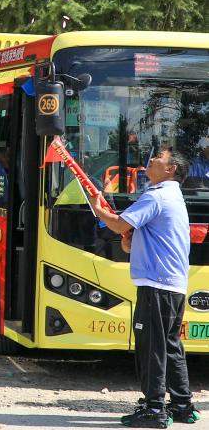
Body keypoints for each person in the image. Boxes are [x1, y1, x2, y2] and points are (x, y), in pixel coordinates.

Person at [88, 147, 199, 428]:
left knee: (152, 346)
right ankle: (183, 405)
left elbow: (117, 224)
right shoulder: (173, 196)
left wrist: (96, 205)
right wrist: (130, 239)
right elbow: (132, 237)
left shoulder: (157, 195)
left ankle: (154, 408)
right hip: (173, 284)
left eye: (159, 157)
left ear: (171, 168)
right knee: (170, 345)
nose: (151, 160)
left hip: (157, 284)